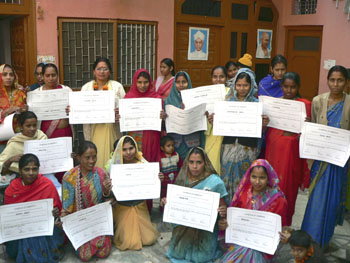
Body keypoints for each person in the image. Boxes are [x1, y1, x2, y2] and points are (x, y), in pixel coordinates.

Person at [301, 65, 350, 248]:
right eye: (332, 80)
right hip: (319, 160)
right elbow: (314, 125)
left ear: (346, 83)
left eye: (340, 80)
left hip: (339, 162)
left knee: (332, 200)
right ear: (328, 81)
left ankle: (324, 239)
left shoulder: (349, 103)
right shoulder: (318, 101)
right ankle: (310, 236)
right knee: (316, 197)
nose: (336, 84)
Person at [160, 147, 228, 263]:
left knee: (202, 258)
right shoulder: (183, 178)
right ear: (187, 162)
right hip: (185, 224)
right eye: (191, 162)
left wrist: (222, 214)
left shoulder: (215, 182)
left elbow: (223, 208)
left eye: (199, 162)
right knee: (178, 253)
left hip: (205, 229)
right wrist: (166, 202)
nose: (194, 166)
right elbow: (176, 201)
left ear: (205, 163)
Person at [210, 68, 269, 200]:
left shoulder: (256, 104)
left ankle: (242, 209)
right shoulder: (227, 102)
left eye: (245, 85)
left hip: (247, 149)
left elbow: (260, 130)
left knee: (245, 178)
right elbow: (221, 125)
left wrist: (263, 124)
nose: (242, 88)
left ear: (251, 85)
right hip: (228, 147)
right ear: (234, 85)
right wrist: (215, 120)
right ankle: (226, 210)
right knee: (226, 177)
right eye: (239, 85)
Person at [218, 159, 288, 262]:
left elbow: (281, 228)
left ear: (269, 177)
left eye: (262, 178)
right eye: (254, 177)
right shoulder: (243, 193)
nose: (257, 182)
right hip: (241, 240)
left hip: (262, 246)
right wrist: (225, 223)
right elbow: (235, 220)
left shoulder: (278, 200)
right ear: (249, 176)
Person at [265, 72, 310, 226]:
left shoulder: (304, 105)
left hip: (291, 157)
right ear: (281, 86)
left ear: (298, 87)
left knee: (288, 189)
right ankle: (268, 222)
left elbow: (308, 132)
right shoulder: (274, 104)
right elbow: (267, 130)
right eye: (285, 86)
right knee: (269, 185)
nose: (289, 90)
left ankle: (283, 225)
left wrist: (306, 126)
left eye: (293, 87)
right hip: (273, 152)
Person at [4, 154, 64, 262]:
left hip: (44, 229)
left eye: (34, 169)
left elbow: (58, 212)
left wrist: (55, 213)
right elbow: (9, 218)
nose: (31, 173)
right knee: (29, 235)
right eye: (26, 169)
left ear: (38, 170)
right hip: (20, 231)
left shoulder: (46, 185)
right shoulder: (12, 189)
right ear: (20, 170)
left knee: (35, 237)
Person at [61, 141, 112, 261]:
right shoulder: (69, 177)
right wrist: (64, 220)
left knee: (104, 252)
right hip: (79, 222)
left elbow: (107, 201)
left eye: (94, 157)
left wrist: (106, 192)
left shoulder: (101, 173)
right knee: (85, 255)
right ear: (78, 157)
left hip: (97, 220)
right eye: (87, 157)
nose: (91, 161)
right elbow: (67, 206)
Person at [108, 135, 159, 250]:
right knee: (128, 241)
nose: (128, 152)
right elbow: (110, 191)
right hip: (123, 207)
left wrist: (157, 178)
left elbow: (150, 182)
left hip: (139, 205)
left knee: (149, 239)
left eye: (131, 148)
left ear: (136, 148)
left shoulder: (142, 163)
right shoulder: (114, 166)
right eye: (124, 150)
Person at [0, 111, 62, 196]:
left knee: (58, 192)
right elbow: (2, 169)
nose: (32, 129)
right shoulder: (15, 143)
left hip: (45, 174)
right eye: (28, 126)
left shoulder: (41, 136)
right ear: (21, 127)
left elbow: (52, 156)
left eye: (34, 125)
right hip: (25, 178)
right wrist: (10, 160)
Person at [80, 57, 125, 169]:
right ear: (94, 71)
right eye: (99, 69)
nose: (102, 72)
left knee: (111, 158)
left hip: (111, 128)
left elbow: (125, 109)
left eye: (105, 69)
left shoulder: (117, 87)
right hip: (93, 128)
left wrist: (120, 114)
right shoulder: (86, 88)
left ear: (109, 71)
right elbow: (80, 108)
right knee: (94, 155)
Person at [120, 69, 162, 163]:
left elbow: (163, 119)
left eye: (146, 82)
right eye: (139, 82)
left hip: (151, 136)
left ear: (150, 82)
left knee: (150, 160)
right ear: (135, 82)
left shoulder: (156, 98)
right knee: (133, 158)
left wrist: (163, 115)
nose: (142, 86)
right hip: (135, 136)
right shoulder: (128, 98)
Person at [164, 71, 205, 160]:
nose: (181, 85)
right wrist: (163, 118)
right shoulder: (168, 101)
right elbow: (165, 125)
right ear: (174, 84)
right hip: (175, 143)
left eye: (184, 82)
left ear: (188, 83)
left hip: (192, 142)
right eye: (178, 82)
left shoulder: (196, 99)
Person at [205, 66, 228, 173]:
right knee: (211, 162)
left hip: (225, 135)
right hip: (211, 134)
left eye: (221, 77)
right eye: (215, 77)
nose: (218, 80)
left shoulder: (231, 94)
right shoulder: (206, 93)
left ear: (227, 78)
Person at [0, 64, 27, 153]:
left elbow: (27, 113)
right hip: (1, 139)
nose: (8, 77)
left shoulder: (20, 93)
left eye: (11, 74)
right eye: (4, 74)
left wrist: (24, 109)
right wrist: (7, 111)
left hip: (18, 137)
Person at [159, 135, 183, 201]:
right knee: (164, 198)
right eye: (168, 146)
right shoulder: (160, 158)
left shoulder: (176, 155)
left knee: (174, 197)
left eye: (172, 145)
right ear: (162, 148)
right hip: (164, 184)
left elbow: (181, 166)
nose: (171, 147)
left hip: (175, 182)